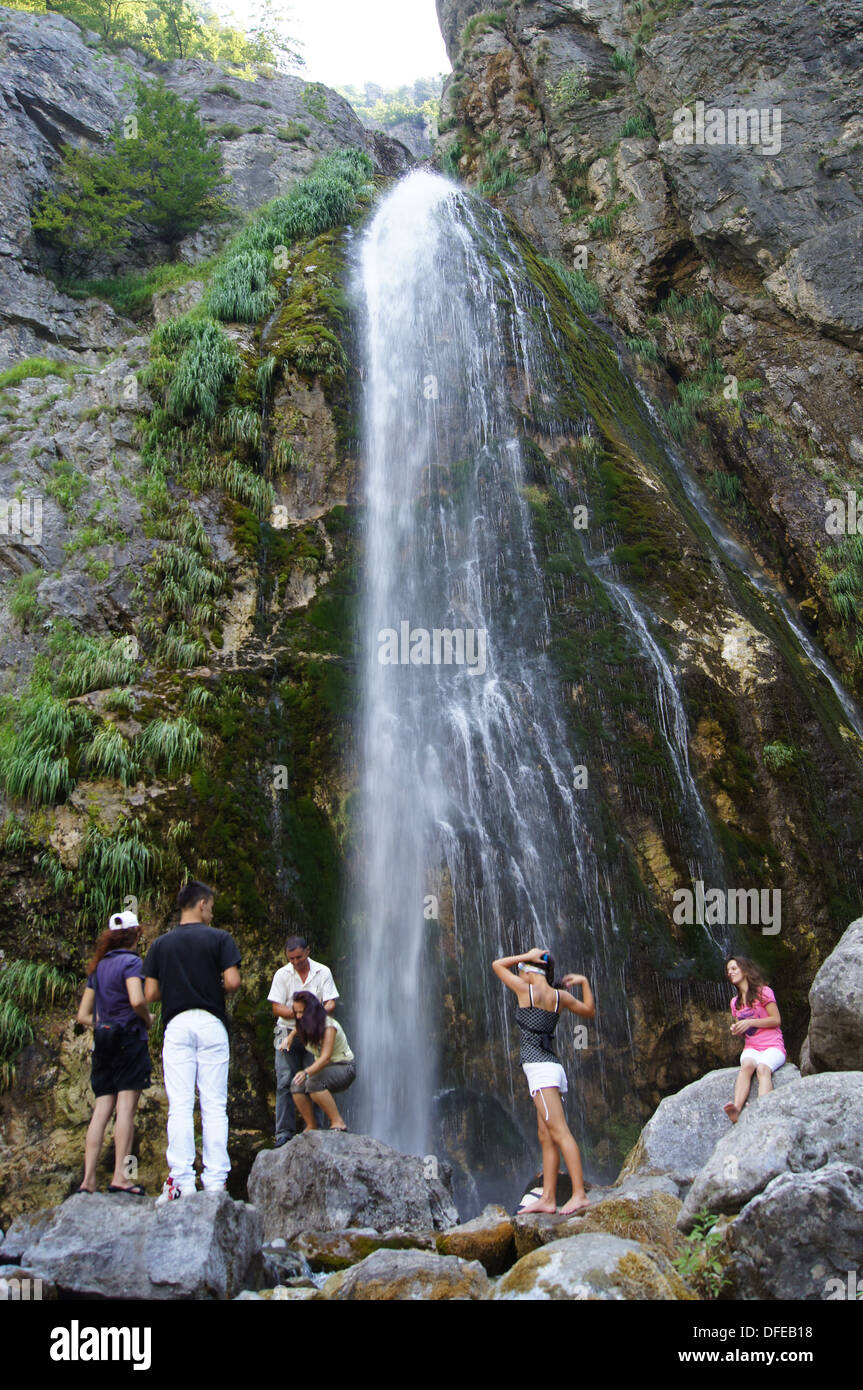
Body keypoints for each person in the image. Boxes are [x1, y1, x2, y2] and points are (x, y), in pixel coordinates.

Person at [143, 881, 241, 1201]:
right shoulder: (220, 938)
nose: (212, 911)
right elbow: (233, 981)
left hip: (177, 1025)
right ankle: (215, 1182)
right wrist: (210, 986)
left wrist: (176, 986)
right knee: (214, 1105)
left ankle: (181, 1181)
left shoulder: (160, 944)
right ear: (201, 904)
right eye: (210, 905)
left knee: (181, 1105)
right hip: (211, 1024)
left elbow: (150, 994)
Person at [493, 946, 595, 1216]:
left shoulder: (525, 991)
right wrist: (583, 982)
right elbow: (588, 1011)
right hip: (552, 1067)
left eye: (522, 969)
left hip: (540, 1070)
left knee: (560, 1132)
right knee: (546, 1136)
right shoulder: (559, 996)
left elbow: (497, 964)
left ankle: (579, 1194)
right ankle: (548, 1197)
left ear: (528, 970)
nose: (519, 972)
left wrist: (525, 956)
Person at [75, 909, 153, 1196]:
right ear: (136, 934)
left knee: (101, 1109)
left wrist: (104, 1023)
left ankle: (88, 1180)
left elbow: (83, 1014)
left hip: (103, 1040)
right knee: (125, 1109)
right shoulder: (132, 963)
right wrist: (147, 1018)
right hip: (128, 1040)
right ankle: (121, 1176)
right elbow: (136, 999)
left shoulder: (99, 967)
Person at [267, 935, 339, 1146]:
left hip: (314, 1033)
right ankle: (284, 1133)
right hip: (286, 1031)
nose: (296, 962)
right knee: (284, 1081)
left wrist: (311, 1015)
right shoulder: (282, 974)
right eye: (291, 959)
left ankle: (318, 1130)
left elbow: (331, 1003)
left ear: (307, 951)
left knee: (315, 1080)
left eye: (299, 957)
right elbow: (276, 1007)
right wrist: (300, 1013)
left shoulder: (322, 971)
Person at [723, 955, 785, 1123]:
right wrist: (737, 1029)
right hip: (752, 1048)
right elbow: (746, 1031)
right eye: (728, 970)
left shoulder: (764, 992)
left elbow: (776, 1020)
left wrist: (750, 1021)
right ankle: (736, 1108)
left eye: (734, 968)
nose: (730, 972)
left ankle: (762, 1108)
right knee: (747, 1066)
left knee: (763, 1069)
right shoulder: (734, 1003)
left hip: (773, 1046)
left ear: (744, 969)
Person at [283, 991, 355, 1131]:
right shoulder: (305, 1023)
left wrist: (306, 1072)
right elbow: (297, 1029)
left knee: (312, 1082)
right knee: (296, 1084)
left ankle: (338, 1122)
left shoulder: (329, 1026)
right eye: (296, 1012)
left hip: (345, 1067)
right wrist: (290, 1037)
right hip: (325, 1069)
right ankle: (311, 1125)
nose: (298, 1016)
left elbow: (325, 1058)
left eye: (302, 1012)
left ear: (312, 1011)